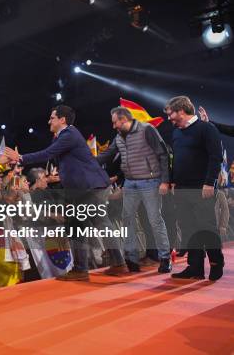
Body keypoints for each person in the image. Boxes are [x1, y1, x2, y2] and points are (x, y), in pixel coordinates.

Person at [3, 105, 126, 280]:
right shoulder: (64, 136)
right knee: (79, 225)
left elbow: (48, 154)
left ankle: (104, 265)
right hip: (83, 189)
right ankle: (89, 267)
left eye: (52, 118)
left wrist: (21, 157)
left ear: (62, 120)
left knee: (96, 223)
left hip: (89, 188)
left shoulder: (69, 135)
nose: (48, 121)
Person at [96, 107, 172, 273]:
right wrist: (86, 163)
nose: (114, 126)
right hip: (130, 183)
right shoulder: (118, 137)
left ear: (124, 119)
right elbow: (106, 155)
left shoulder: (147, 130)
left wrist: (165, 181)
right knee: (127, 220)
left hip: (150, 181)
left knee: (154, 220)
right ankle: (132, 260)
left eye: (115, 122)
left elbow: (163, 154)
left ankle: (165, 258)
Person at [164, 96, 224, 281]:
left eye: (170, 114)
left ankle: (216, 263)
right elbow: (176, 160)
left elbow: (216, 157)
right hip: (181, 188)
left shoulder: (207, 129)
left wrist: (209, 182)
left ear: (181, 110)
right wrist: (173, 181)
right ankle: (195, 267)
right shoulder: (176, 132)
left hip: (202, 188)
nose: (169, 118)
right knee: (188, 228)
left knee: (206, 227)